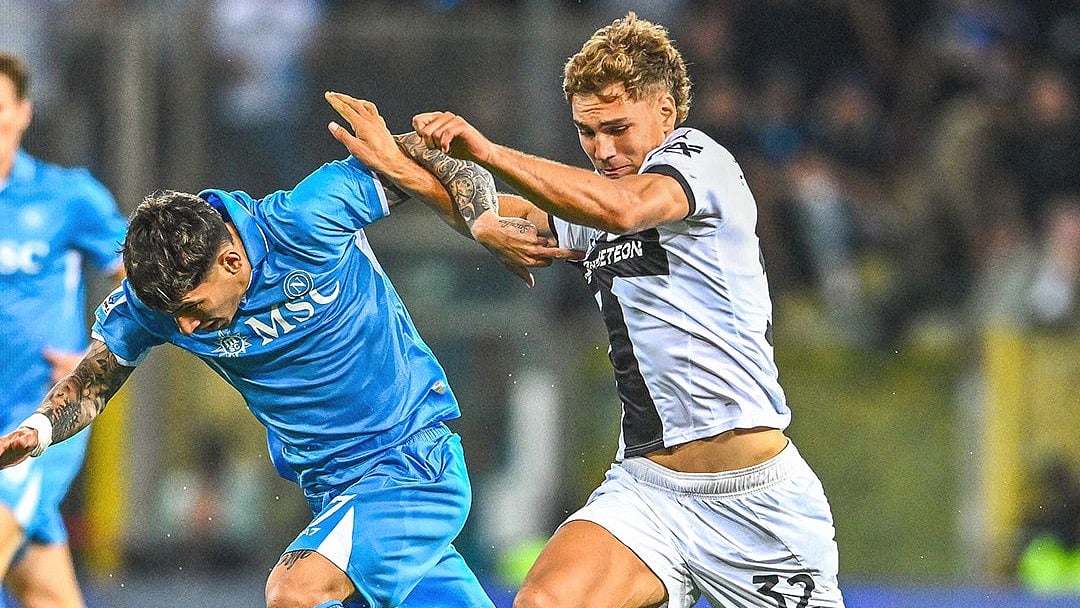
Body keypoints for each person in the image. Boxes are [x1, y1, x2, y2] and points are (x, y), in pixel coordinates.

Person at [335, 12, 846, 608]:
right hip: (650, 491)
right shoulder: (603, 204)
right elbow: (521, 218)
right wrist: (403, 171)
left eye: (617, 128)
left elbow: (622, 209)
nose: (603, 149)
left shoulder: (701, 163)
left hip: (756, 504)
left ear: (665, 111)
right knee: (543, 602)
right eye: (587, 132)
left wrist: (492, 152)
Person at [0, 90, 570, 608]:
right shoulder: (160, 302)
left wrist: (483, 219)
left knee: (293, 591)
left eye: (195, 309)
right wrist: (39, 430)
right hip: (332, 492)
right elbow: (97, 378)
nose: (189, 331)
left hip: (409, 464)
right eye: (176, 316)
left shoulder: (305, 220)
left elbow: (422, 153)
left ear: (230, 261)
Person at [0, 52, 127, 608]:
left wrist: (96, 353)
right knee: (47, 592)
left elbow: (146, 274)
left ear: (23, 113)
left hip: (37, 418)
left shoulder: (67, 196)